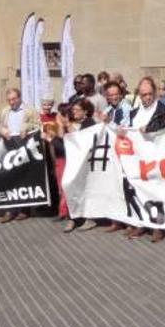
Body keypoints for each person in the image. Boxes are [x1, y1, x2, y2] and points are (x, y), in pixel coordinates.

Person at [124, 77, 165, 242]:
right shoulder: (134, 112)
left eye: (149, 94)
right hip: (138, 159)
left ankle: (158, 226)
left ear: (154, 93)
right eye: (143, 95)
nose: (146, 97)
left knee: (157, 191)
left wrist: (149, 128)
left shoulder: (163, 109)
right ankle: (142, 222)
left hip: (157, 157)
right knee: (139, 190)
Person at [0, 87, 40, 224]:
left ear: (19, 97)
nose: (12, 102)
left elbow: (38, 125)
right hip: (10, 149)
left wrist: (27, 127)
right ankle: (10, 210)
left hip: (25, 149)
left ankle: (24, 209)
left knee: (24, 179)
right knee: (10, 179)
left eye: (14, 99)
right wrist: (1, 130)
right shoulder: (5, 111)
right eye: (9, 100)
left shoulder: (29, 110)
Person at [63, 99, 99, 233]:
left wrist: (68, 126)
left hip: (85, 162)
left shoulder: (89, 123)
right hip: (73, 161)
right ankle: (73, 217)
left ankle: (88, 219)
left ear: (85, 111)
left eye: (77, 110)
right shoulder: (73, 123)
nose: (74, 112)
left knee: (85, 188)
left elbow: (78, 139)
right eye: (73, 110)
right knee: (70, 186)